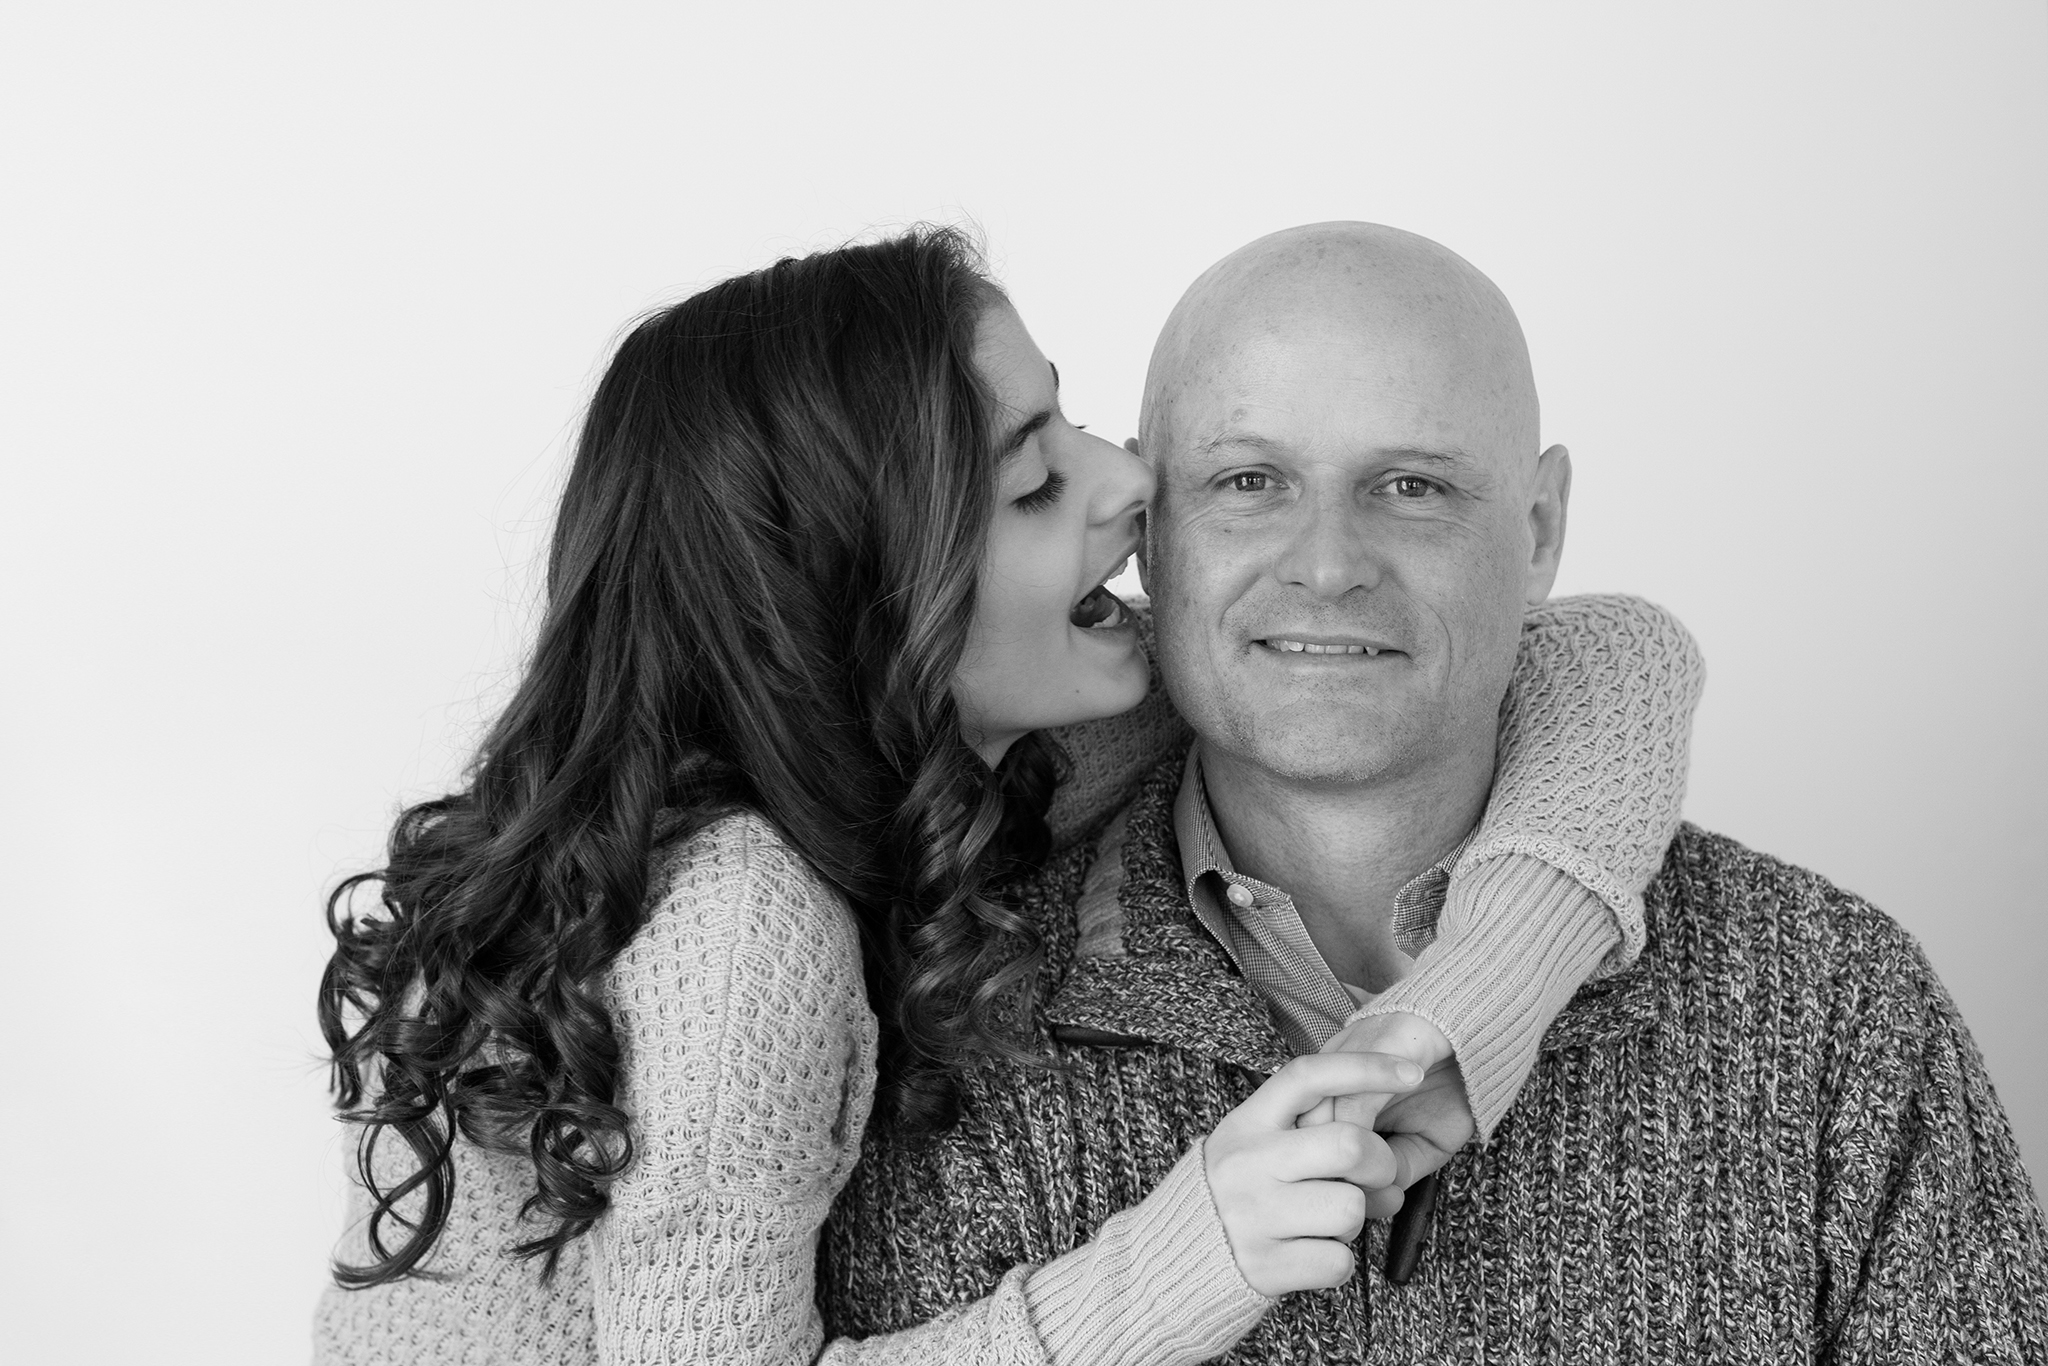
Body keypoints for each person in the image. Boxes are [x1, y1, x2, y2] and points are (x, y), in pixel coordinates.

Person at [313, 227, 1702, 1364]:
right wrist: (1192, 1252)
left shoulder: (962, 756)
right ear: (875, 599)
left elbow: (1609, 656)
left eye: (1074, 418)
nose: (1132, 479)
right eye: (1037, 479)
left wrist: (1476, 999)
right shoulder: (739, 929)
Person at [819, 222, 2048, 1363]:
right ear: (1149, 525)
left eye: (1410, 485)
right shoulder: (927, 1023)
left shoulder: (1832, 1007)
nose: (1326, 564)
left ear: (1538, 529)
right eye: (1247, 480)